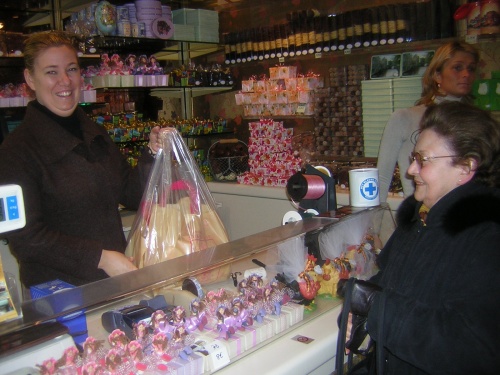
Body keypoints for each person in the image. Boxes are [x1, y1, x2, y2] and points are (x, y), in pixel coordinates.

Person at [0, 31, 162, 292]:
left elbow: (132, 195)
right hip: (59, 297)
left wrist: (153, 155)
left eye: (71, 69)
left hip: (112, 286)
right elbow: (25, 238)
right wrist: (101, 257)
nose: (64, 81)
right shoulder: (16, 151)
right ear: (30, 78)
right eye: (51, 72)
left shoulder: (95, 134)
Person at [346, 102, 500, 374]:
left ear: (465, 166)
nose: (411, 170)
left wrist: (378, 309)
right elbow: (388, 283)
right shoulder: (420, 219)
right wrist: (358, 307)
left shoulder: (487, 238)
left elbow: (473, 350)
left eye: (423, 160)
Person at [377, 41, 479, 202]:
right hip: (420, 218)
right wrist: (373, 224)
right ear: (437, 75)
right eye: (457, 67)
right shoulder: (405, 118)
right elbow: (382, 178)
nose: (466, 74)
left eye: (471, 68)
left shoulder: (477, 122)